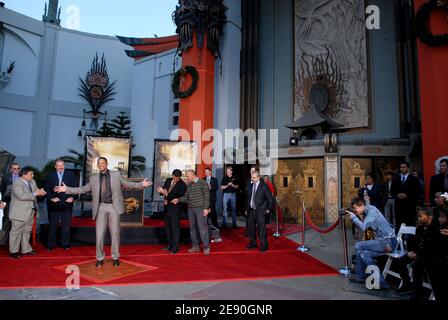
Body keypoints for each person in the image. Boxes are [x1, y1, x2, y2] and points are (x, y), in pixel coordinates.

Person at [55, 157, 152, 267]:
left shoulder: (116, 175)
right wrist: (67, 189)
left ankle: (115, 256)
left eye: (103, 163)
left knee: (115, 234)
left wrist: (140, 184)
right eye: (99, 163)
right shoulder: (93, 178)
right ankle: (99, 258)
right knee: (99, 234)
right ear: (97, 165)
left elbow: (127, 183)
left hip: (113, 207)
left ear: (107, 164)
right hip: (100, 207)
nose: (101, 165)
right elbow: (82, 189)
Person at [349, 197, 397, 289]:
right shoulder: (367, 211)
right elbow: (370, 230)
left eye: (355, 208)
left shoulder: (371, 211)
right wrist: (367, 241)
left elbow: (363, 227)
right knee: (363, 254)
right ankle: (379, 282)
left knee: (358, 245)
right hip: (381, 242)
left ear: (362, 206)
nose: (355, 211)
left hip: (388, 242)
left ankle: (361, 275)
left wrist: (354, 218)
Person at [394, 208, 441, 300]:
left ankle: (418, 292)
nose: (418, 218)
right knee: (401, 261)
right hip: (418, 253)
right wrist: (411, 251)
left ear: (429, 217)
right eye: (418, 216)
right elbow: (415, 242)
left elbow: (432, 247)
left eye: (421, 216)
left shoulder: (435, 229)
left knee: (417, 266)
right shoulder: (419, 228)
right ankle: (407, 283)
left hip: (429, 255)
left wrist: (417, 254)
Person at [9, 167, 47, 258]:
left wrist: (41, 192)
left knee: (27, 231)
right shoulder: (17, 184)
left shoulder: (32, 181)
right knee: (16, 232)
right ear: (24, 175)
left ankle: (26, 249)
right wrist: (35, 193)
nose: (32, 176)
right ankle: (13, 251)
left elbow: (37, 191)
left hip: (31, 212)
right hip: (19, 213)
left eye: (32, 174)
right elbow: (21, 196)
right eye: (30, 174)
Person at [172, 170, 210, 255]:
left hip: (200, 208)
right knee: (192, 228)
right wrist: (178, 199)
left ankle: (206, 246)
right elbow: (186, 197)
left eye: (187, 176)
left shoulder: (202, 182)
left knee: (202, 228)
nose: (187, 178)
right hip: (191, 209)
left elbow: (207, 195)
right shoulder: (189, 185)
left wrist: (206, 208)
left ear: (192, 175)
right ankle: (195, 246)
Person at [44, 159, 78, 251]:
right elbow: (46, 189)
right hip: (54, 204)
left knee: (66, 226)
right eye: (58, 166)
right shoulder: (50, 175)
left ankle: (65, 244)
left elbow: (76, 188)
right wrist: (51, 198)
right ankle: (50, 245)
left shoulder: (71, 174)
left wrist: (72, 197)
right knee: (52, 226)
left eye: (62, 165)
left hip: (67, 203)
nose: (61, 167)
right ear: (55, 166)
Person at [156, 169, 186, 254]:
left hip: (175, 209)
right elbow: (165, 190)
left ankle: (175, 247)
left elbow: (175, 196)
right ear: (172, 176)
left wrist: (165, 194)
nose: (176, 179)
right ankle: (170, 245)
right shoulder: (168, 180)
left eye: (178, 178)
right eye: (175, 178)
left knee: (175, 228)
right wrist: (162, 194)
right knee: (167, 227)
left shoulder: (182, 185)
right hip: (167, 207)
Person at [246, 171, 274, 252]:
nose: (252, 179)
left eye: (254, 178)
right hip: (251, 210)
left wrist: (268, 209)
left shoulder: (264, 186)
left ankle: (264, 245)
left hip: (260, 211)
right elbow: (248, 198)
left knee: (261, 229)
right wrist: (247, 208)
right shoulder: (251, 186)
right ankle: (253, 243)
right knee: (251, 228)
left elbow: (270, 199)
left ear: (258, 178)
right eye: (251, 177)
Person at [390, 161, 421, 231]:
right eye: (401, 167)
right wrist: (397, 195)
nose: (402, 169)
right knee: (399, 225)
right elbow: (392, 191)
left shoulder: (414, 179)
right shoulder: (395, 179)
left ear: (408, 168)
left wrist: (407, 195)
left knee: (410, 224)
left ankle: (410, 240)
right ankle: (399, 240)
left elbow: (418, 192)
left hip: (410, 206)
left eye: (404, 167)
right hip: (399, 206)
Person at [428, 207, 448, 301]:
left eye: (442, 217)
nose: (440, 219)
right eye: (440, 217)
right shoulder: (439, 228)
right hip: (436, 259)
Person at [0, 163, 20, 246]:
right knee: (6, 222)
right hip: (8, 203)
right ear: (11, 169)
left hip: (19, 204)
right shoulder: (6, 177)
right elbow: (2, 190)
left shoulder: (22, 177)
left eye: (18, 168)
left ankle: (13, 243)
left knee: (16, 224)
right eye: (14, 168)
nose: (16, 170)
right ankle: (3, 242)